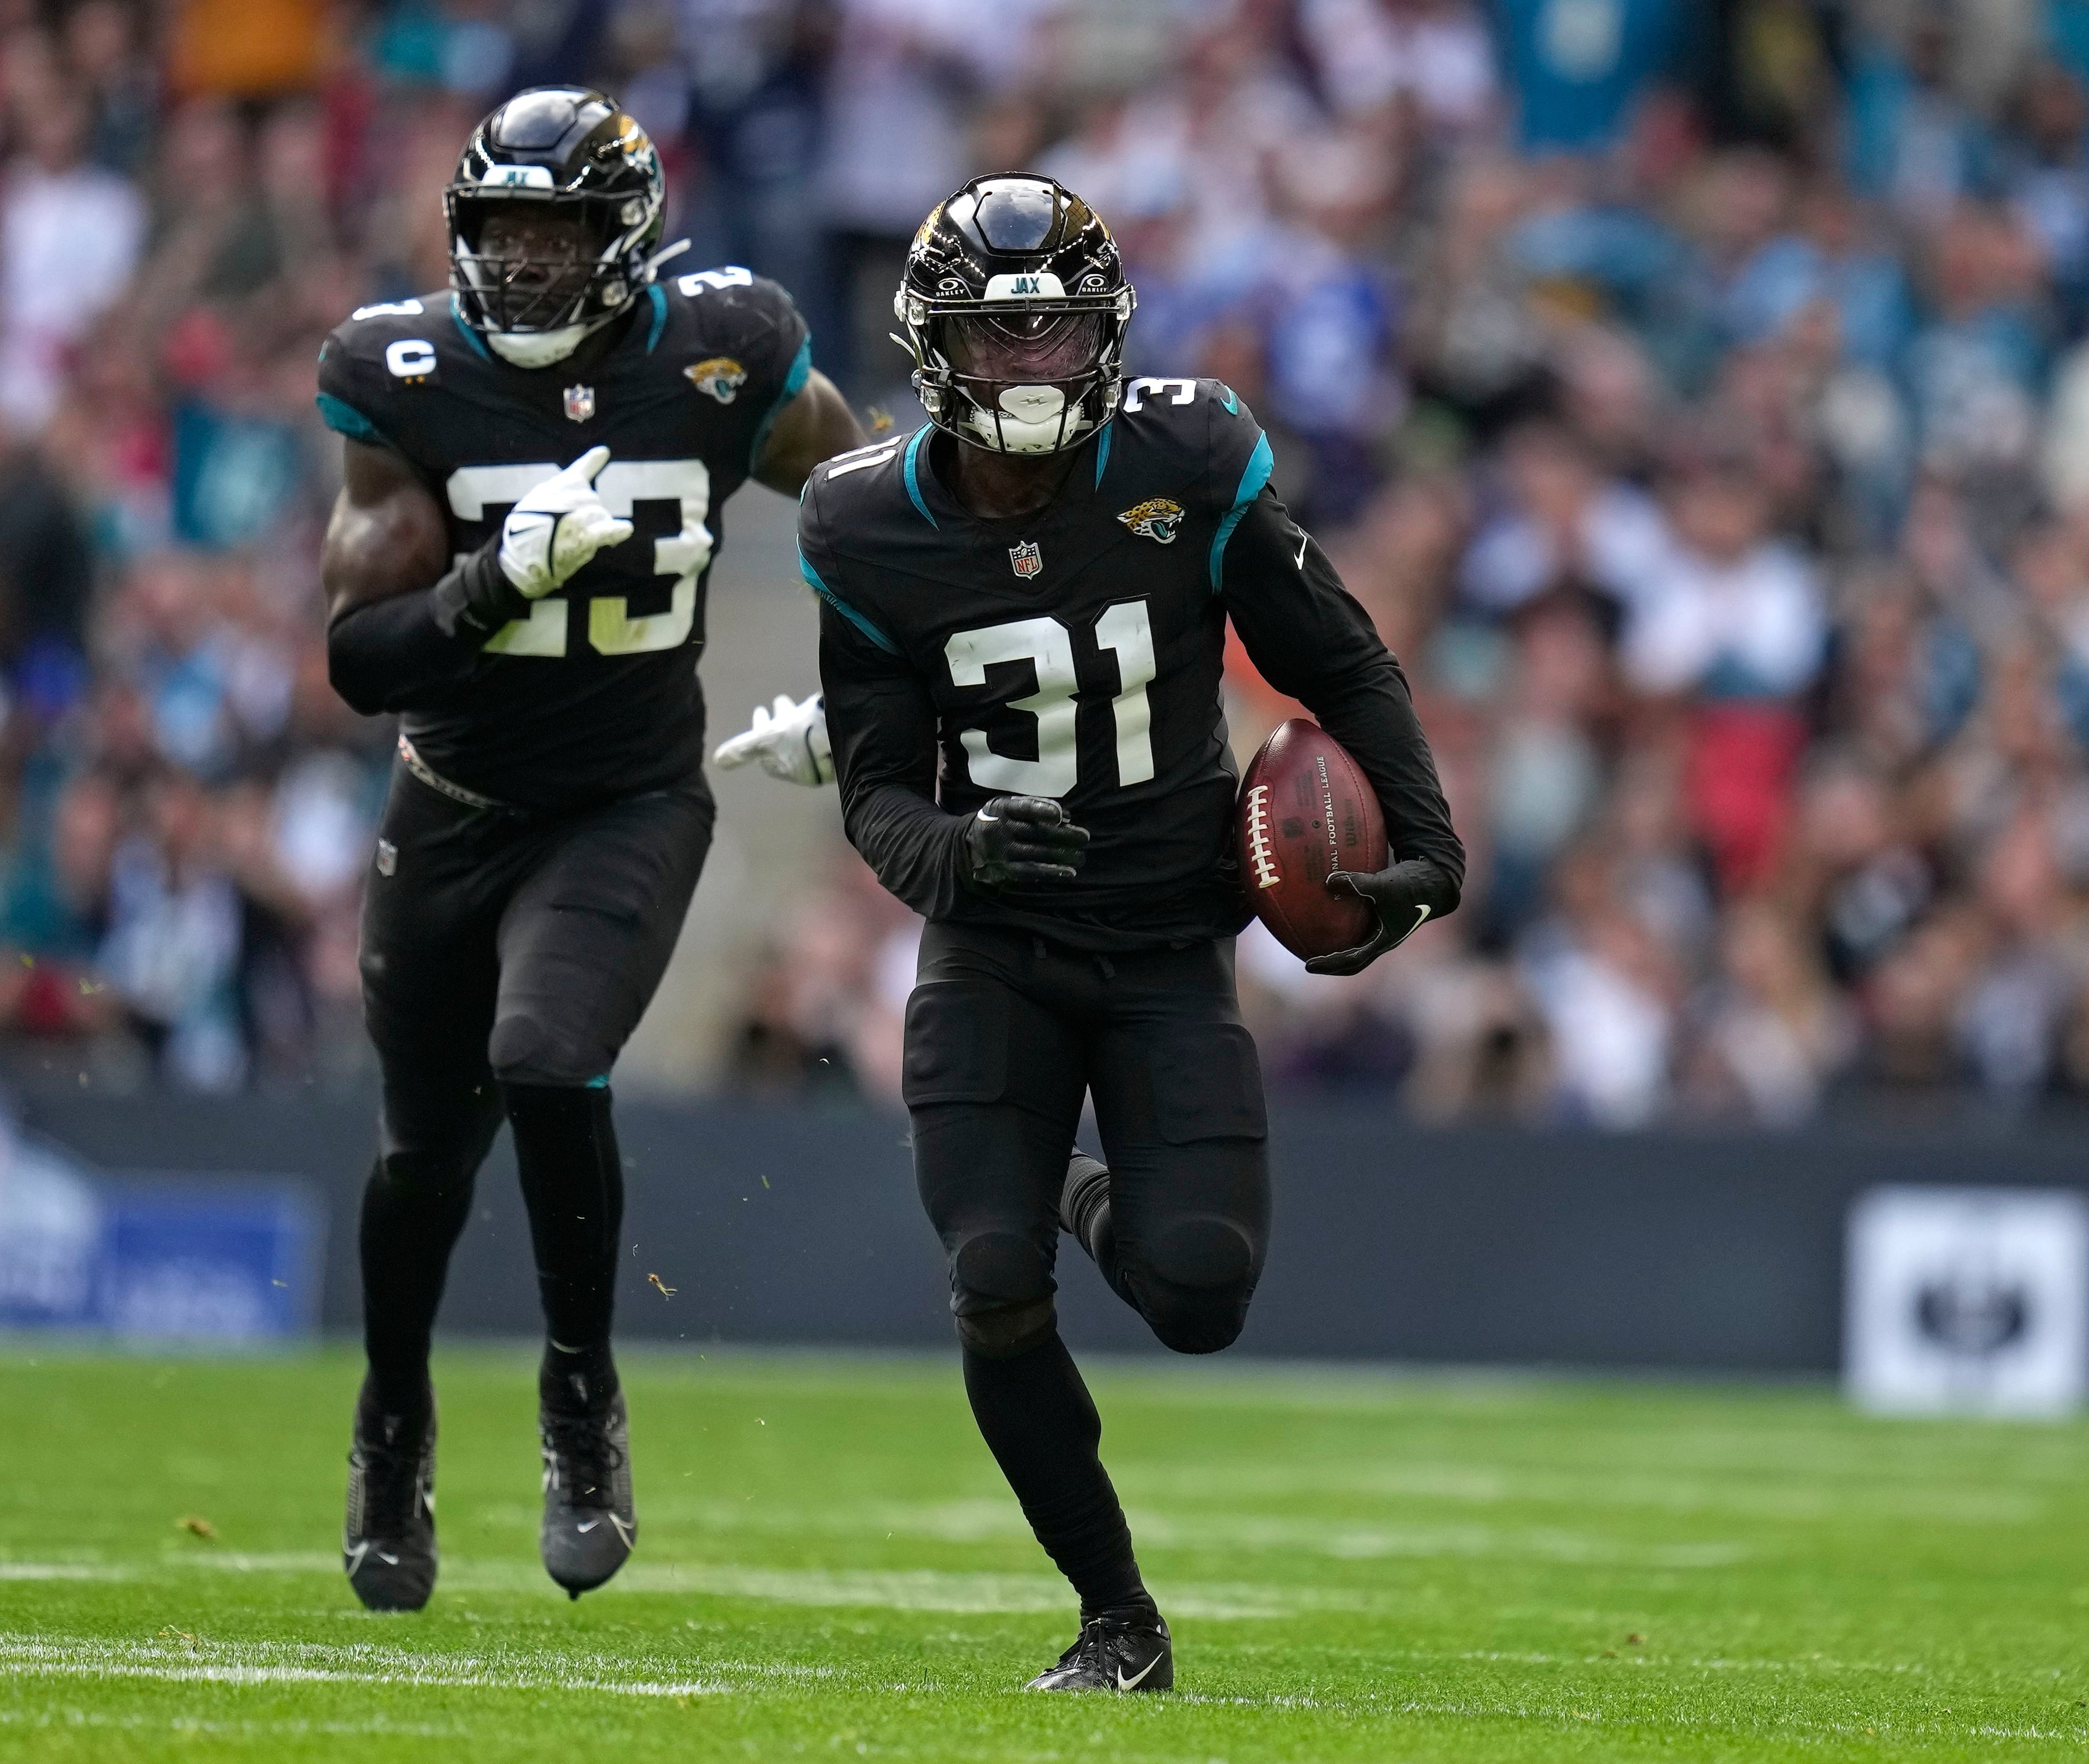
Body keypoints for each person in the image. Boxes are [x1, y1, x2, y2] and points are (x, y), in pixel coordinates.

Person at [801, 175, 1462, 1691]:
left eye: (1055, 334)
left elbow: (1340, 665)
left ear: (1103, 337)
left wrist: (1429, 847)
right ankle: (1118, 1618)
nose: (1030, 365)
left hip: (1171, 933)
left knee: (1199, 1292)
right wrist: (963, 853)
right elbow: (877, 793)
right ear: (935, 347)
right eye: (997, 334)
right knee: (990, 1274)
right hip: (997, 942)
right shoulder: (862, 521)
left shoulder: (1190, 454)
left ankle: (1084, 1190)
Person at [311, 86, 862, 1611]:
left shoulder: (721, 348)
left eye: (562, 231)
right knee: (422, 1154)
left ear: (629, 239)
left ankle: (577, 1396)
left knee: (548, 1052)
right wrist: (490, 586)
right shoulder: (403, 372)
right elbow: (361, 658)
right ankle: (393, 1420)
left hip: (627, 798)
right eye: (506, 230)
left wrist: (881, 684)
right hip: (457, 804)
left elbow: (875, 500)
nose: (532, 262)